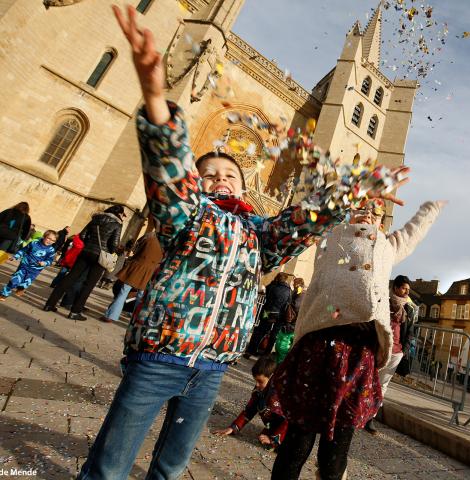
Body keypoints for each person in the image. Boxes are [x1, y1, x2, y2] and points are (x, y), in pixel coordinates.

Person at [76, 7, 407, 480]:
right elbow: (168, 171)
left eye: (229, 173)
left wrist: (352, 192)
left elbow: (299, 222)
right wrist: (154, 97)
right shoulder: (185, 216)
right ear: (196, 182)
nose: (221, 179)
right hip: (161, 355)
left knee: (170, 468)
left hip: (212, 367)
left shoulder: (258, 233)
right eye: (208, 173)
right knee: (109, 466)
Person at [270, 200, 444, 480]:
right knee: (298, 439)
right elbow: (311, 216)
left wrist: (432, 207)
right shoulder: (330, 234)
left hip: (357, 352)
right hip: (318, 344)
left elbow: (414, 230)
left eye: (375, 211)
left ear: (382, 222)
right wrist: (345, 191)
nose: (367, 213)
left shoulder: (388, 245)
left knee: (337, 447)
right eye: (361, 207)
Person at [44, 205, 124, 320]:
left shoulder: (96, 219)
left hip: (86, 252)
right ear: (119, 213)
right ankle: (75, 312)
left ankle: (49, 304)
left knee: (70, 277)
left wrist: (90, 244)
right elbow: (113, 245)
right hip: (100, 257)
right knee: (89, 285)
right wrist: (113, 250)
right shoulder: (117, 224)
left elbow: (82, 235)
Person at [366, 274, 419, 433]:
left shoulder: (409, 309)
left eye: (408, 289)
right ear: (395, 287)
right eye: (403, 288)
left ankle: (370, 418)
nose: (406, 292)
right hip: (379, 348)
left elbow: (410, 331)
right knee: (369, 380)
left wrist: (404, 350)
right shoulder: (383, 301)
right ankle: (359, 411)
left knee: (383, 385)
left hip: (396, 352)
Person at [213, 356, 287, 450]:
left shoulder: (278, 394)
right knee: (263, 437)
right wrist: (233, 428)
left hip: (288, 430)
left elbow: (289, 420)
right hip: (274, 425)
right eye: (255, 381)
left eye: (260, 381)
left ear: (272, 377)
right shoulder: (259, 390)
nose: (256, 385)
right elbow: (249, 410)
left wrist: (274, 440)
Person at [100, 230, 163, 323]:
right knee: (141, 297)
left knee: (123, 292)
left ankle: (111, 316)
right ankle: (137, 318)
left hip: (137, 267)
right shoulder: (165, 244)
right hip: (150, 271)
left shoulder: (149, 238)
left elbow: (135, 250)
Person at [0, 230, 58, 300]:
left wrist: (45, 263)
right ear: (44, 236)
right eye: (49, 238)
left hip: (35, 270)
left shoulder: (51, 250)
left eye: (53, 240)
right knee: (14, 281)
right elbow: (23, 250)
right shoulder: (34, 243)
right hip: (24, 265)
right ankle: (4, 294)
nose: (50, 241)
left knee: (25, 283)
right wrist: (15, 257)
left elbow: (50, 260)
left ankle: (21, 288)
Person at [245, 273, 292, 357]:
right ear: (285, 280)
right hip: (279, 315)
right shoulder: (288, 290)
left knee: (260, 331)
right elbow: (288, 303)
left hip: (267, 312)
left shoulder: (272, 286)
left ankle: (250, 351)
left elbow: (266, 294)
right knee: (274, 334)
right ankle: (266, 354)